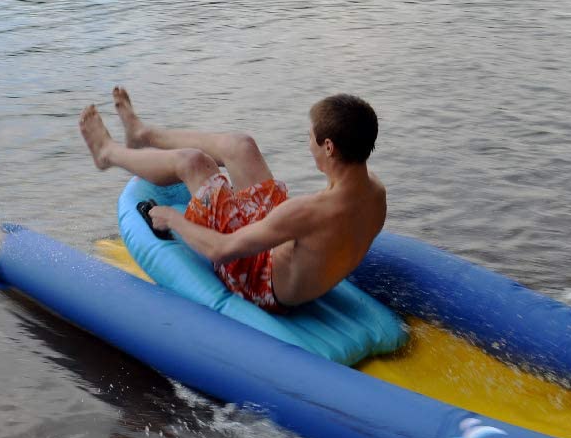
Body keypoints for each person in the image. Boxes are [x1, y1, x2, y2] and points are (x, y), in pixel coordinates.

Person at [79, 87, 386, 312]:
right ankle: (143, 134)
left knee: (194, 163)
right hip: (289, 261)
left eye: (310, 137)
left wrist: (173, 219)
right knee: (241, 146)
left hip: (259, 283)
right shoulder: (375, 192)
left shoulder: (309, 212)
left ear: (329, 147)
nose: (308, 144)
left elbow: (221, 251)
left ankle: (108, 153)